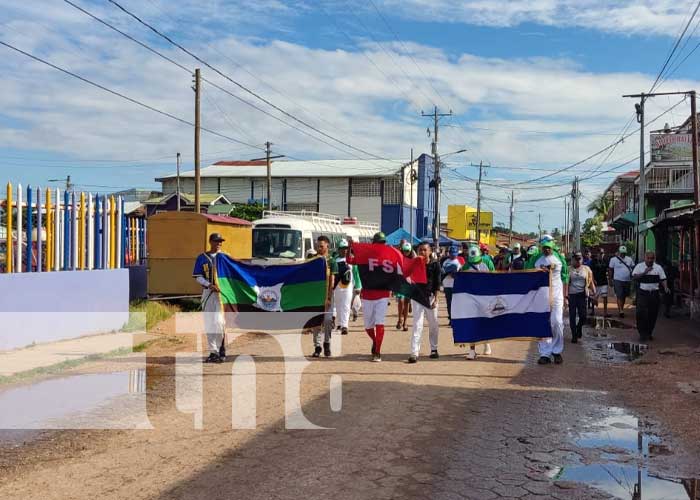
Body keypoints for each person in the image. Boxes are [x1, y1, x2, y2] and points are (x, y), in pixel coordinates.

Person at [351, 232, 392, 362]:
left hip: (382, 295)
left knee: (380, 323)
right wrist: (349, 249)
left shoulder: (389, 255)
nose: (381, 245)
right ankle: (375, 341)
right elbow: (349, 260)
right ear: (373, 244)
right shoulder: (364, 256)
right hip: (367, 295)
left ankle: (377, 352)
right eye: (379, 243)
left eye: (383, 243)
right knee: (368, 327)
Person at [192, 233, 228, 363]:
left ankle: (221, 349)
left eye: (220, 241)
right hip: (208, 293)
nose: (219, 243)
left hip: (222, 295)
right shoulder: (202, 258)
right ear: (210, 242)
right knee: (209, 323)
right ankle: (213, 352)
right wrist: (209, 285)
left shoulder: (225, 258)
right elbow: (198, 276)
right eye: (216, 241)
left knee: (219, 322)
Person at [408, 242, 441, 363]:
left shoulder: (435, 265)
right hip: (417, 297)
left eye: (424, 250)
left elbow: (437, 283)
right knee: (417, 324)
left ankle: (434, 349)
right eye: (420, 250)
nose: (422, 252)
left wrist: (436, 299)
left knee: (433, 324)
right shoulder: (415, 264)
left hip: (431, 297)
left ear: (430, 251)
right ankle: (414, 352)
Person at [536, 239, 567, 365]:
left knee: (557, 322)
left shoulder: (559, 259)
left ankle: (556, 351)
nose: (546, 249)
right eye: (544, 247)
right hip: (542, 296)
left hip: (557, 296)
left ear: (553, 248)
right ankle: (545, 354)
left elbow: (565, 276)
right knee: (542, 324)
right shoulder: (536, 260)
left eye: (548, 247)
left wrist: (566, 296)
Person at [462, 245, 493, 360]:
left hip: (484, 299)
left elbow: (493, 281)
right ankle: (472, 350)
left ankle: (487, 343)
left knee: (484, 322)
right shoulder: (465, 266)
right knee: (472, 323)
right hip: (470, 299)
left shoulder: (486, 264)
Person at [632, 251, 669, 341]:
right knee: (640, 312)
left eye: (652, 258)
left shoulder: (658, 268)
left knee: (652, 313)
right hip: (643, 293)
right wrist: (644, 272)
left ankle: (649, 333)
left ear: (654, 259)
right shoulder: (639, 266)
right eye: (648, 258)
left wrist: (666, 287)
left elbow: (663, 278)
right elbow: (634, 277)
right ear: (645, 258)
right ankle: (642, 333)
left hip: (654, 293)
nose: (650, 260)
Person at [312, 235, 337, 358]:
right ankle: (317, 346)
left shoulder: (332, 261)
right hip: (314, 296)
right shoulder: (312, 259)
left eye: (321, 246)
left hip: (327, 296)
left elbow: (332, 280)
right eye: (317, 246)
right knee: (315, 321)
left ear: (327, 245)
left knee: (327, 321)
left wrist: (328, 297)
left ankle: (327, 343)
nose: (319, 248)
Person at [567, 252, 595, 343]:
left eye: (580, 259)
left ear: (582, 259)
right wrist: (565, 295)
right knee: (572, 315)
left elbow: (590, 281)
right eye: (576, 259)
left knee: (583, 316)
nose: (578, 261)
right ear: (573, 260)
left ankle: (579, 328)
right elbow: (565, 283)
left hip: (582, 295)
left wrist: (594, 291)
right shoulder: (568, 269)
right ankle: (574, 335)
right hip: (572, 295)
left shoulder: (587, 269)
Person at [333, 239, 355, 336]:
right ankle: (340, 324)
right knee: (338, 306)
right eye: (342, 248)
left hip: (348, 286)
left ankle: (345, 326)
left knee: (346, 305)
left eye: (346, 248)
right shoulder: (335, 260)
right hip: (337, 286)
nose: (344, 250)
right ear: (338, 249)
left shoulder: (351, 259)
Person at [609, 245, 635, 318]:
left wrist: (632, 275)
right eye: (621, 253)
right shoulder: (613, 259)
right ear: (619, 252)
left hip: (627, 280)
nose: (623, 254)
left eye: (624, 253)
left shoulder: (629, 259)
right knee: (619, 295)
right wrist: (610, 280)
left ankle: (621, 308)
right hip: (617, 280)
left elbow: (633, 267)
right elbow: (610, 270)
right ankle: (621, 310)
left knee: (624, 296)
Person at [441, 246, 462, 325]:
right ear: (449, 253)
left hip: (455, 285)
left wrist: (454, 274)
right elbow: (442, 272)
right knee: (449, 303)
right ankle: (451, 318)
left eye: (454, 254)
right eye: (451, 254)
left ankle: (455, 318)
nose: (453, 255)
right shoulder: (445, 262)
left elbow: (460, 275)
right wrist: (447, 272)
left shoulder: (458, 263)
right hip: (447, 285)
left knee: (455, 303)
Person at [589, 247, 609, 317]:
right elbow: (591, 272)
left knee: (605, 297)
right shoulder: (593, 261)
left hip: (604, 281)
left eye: (603, 253)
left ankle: (605, 312)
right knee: (594, 297)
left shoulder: (605, 260)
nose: (602, 255)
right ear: (597, 254)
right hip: (596, 281)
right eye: (600, 253)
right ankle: (592, 310)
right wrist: (592, 280)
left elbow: (608, 269)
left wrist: (610, 279)